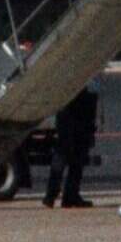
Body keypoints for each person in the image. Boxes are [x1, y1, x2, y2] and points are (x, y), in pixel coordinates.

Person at [47, 77, 102, 207]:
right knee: (77, 154)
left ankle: (52, 194)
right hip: (81, 101)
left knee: (65, 152)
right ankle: (69, 195)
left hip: (68, 102)